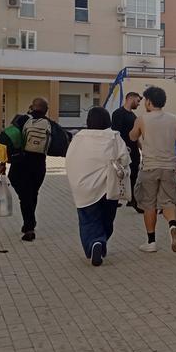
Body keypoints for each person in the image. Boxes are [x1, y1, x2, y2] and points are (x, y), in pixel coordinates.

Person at [66, 107, 130, 266]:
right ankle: (101, 242)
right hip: (109, 186)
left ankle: (95, 243)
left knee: (88, 219)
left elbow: (70, 159)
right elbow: (124, 159)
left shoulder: (78, 138)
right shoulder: (114, 137)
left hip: (84, 187)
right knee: (107, 218)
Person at [130, 86, 176, 253]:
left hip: (149, 167)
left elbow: (133, 136)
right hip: (169, 167)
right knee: (169, 201)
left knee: (149, 204)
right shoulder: (174, 119)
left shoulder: (142, 119)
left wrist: (137, 130)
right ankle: (172, 226)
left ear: (148, 102)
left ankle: (151, 242)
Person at [0, 97, 55, 242]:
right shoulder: (49, 124)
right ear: (46, 110)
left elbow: (6, 141)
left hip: (20, 165)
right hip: (39, 165)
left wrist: (3, 163)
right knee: (32, 194)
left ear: (31, 107)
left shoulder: (21, 120)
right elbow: (58, 145)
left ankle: (29, 227)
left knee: (25, 197)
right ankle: (30, 221)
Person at [111, 92, 143, 213]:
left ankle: (132, 199)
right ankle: (117, 199)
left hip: (133, 152)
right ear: (130, 98)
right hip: (122, 152)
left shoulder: (133, 116)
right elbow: (116, 134)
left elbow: (136, 136)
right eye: (138, 100)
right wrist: (121, 149)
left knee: (134, 174)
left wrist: (141, 148)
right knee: (119, 175)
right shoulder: (118, 114)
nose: (139, 103)